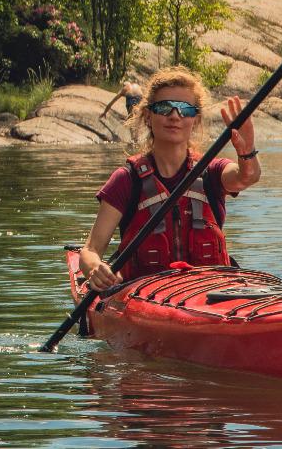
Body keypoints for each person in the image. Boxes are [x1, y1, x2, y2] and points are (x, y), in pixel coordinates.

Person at [77, 67, 262, 290]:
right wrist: (95, 268)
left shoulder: (211, 172)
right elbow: (91, 250)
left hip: (212, 294)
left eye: (185, 109)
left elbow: (247, 177)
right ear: (148, 116)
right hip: (145, 297)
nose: (175, 116)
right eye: (164, 108)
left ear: (195, 120)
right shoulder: (126, 180)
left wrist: (247, 150)